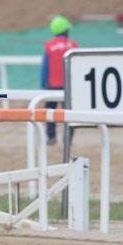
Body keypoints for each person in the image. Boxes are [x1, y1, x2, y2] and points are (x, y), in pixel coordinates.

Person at [42, 15, 79, 146]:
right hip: (69, 86)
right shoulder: (73, 45)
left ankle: (51, 137)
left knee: (50, 112)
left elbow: (45, 68)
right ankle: (68, 138)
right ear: (66, 30)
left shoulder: (49, 46)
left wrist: (43, 85)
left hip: (51, 86)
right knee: (69, 113)